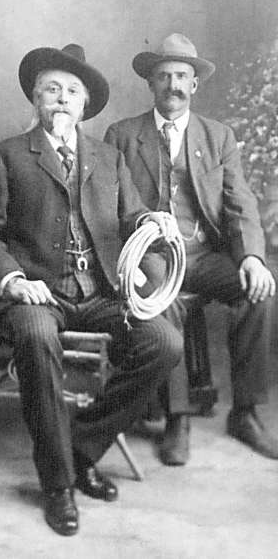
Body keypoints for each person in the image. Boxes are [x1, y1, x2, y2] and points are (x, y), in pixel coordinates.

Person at [0, 43, 182, 536]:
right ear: (36, 99)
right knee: (37, 338)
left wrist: (151, 220)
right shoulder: (7, 155)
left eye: (72, 92)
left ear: (85, 105)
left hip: (101, 291)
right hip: (38, 293)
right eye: (52, 90)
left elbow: (132, 217)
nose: (62, 99)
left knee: (165, 343)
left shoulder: (108, 156)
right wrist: (13, 279)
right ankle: (58, 483)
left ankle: (79, 450)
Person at [104, 33, 277, 466]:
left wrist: (252, 258)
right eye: (164, 76)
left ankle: (247, 411)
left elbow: (241, 205)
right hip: (153, 259)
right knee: (164, 293)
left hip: (201, 253)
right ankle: (177, 417)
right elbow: (110, 204)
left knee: (260, 290)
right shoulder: (123, 135)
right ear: (150, 84)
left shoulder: (218, 136)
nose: (173, 85)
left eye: (182, 76)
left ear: (194, 84)